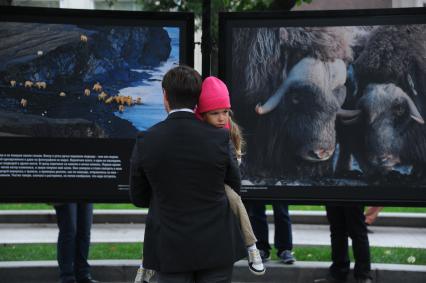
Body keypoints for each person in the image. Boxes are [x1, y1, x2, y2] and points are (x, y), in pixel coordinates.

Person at [129, 65, 246, 283]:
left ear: (165, 96)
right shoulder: (220, 139)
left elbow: (138, 197)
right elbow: (233, 188)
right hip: (217, 245)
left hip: (169, 248)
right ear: (197, 97)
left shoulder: (146, 140)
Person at [195, 76, 265, 276]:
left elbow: (237, 161)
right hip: (197, 180)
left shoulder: (230, 130)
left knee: (234, 198)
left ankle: (251, 246)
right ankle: (147, 263)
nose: (221, 118)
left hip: (220, 182)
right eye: (214, 113)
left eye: (225, 112)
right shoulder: (197, 131)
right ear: (202, 114)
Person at [314, 205, 372, 283]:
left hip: (352, 195)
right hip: (333, 195)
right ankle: (340, 273)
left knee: (357, 231)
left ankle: (362, 275)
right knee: (338, 232)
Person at [54, 203, 98, 283]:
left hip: (87, 191)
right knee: (69, 231)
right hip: (65, 192)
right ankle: (67, 277)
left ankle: (83, 275)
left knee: (85, 231)